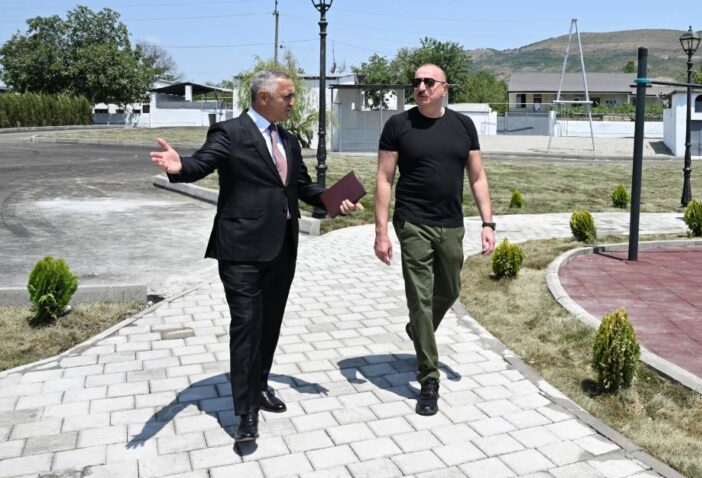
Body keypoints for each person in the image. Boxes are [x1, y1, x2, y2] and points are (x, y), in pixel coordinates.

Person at [149, 70, 362, 442]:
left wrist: (334, 200)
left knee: (269, 324)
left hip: (282, 248)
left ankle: (260, 384)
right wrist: (180, 167)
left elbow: (301, 186)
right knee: (246, 326)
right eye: (288, 96)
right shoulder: (230, 132)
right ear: (263, 97)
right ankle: (245, 412)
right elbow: (202, 163)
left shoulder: (288, 140)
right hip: (241, 250)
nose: (293, 102)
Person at [374, 63, 496, 416]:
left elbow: (477, 177)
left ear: (445, 88)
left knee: (451, 289)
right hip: (412, 223)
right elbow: (384, 178)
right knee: (420, 297)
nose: (421, 87)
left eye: (429, 81)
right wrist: (381, 232)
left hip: (451, 224)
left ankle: (418, 329)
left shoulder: (463, 126)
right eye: (417, 82)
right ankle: (429, 376)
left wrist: (488, 223)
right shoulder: (398, 125)